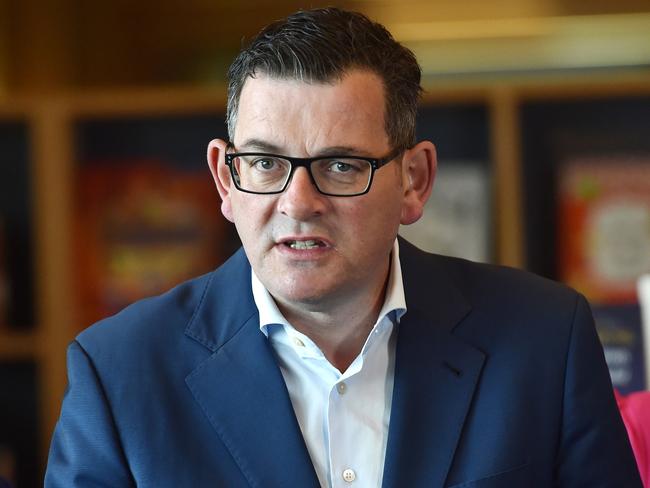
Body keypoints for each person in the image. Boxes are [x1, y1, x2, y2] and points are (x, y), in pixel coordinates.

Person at [45, 7, 642, 487]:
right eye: (263, 161)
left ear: (415, 181)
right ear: (225, 179)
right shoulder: (118, 373)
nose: (298, 202)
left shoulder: (545, 339)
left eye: (339, 165)